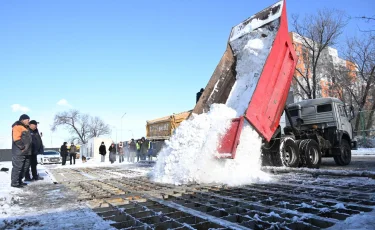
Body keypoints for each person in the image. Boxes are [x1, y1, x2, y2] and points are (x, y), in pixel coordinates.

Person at [11, 114, 32, 188]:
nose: (28, 121)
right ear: (22, 120)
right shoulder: (17, 127)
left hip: (26, 152)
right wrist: (22, 147)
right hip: (19, 152)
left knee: (25, 167)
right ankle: (14, 183)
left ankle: (19, 181)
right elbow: (16, 139)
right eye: (27, 120)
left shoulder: (25, 128)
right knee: (18, 168)